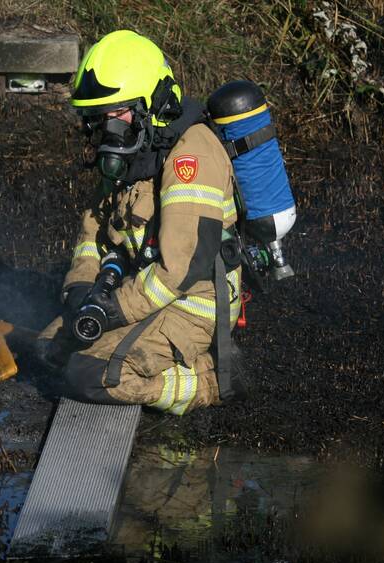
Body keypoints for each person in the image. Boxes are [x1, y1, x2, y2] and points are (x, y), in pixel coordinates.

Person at [39, 30, 244, 414]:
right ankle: (122, 345)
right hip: (140, 293)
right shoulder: (133, 149)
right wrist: (82, 289)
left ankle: (208, 380)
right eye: (97, 117)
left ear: (150, 103)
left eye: (115, 113)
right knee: (48, 350)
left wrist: (113, 309)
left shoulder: (191, 156)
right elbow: (94, 234)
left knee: (90, 375)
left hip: (191, 303)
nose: (106, 128)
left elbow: (180, 269)